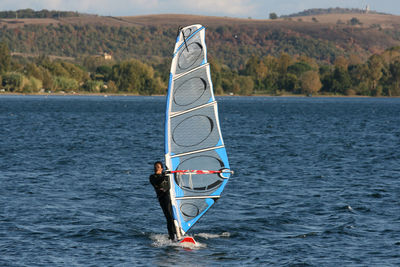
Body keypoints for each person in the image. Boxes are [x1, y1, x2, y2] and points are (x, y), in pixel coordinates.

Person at [149, 161, 176, 240]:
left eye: (157, 167)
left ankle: (177, 233)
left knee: (174, 217)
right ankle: (171, 237)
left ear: (161, 168)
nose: (155, 168)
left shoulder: (166, 176)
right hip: (163, 198)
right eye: (155, 167)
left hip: (172, 198)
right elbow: (158, 182)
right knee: (169, 217)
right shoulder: (152, 177)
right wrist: (165, 175)